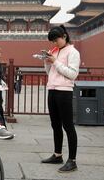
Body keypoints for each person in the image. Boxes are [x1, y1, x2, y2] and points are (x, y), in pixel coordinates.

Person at [41, 25, 80, 173]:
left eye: (56, 40)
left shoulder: (73, 52)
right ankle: (57, 155)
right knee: (55, 124)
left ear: (64, 37)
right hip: (52, 89)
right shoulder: (55, 51)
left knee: (68, 126)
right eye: (52, 41)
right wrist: (47, 61)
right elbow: (49, 72)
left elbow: (72, 74)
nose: (54, 44)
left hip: (64, 91)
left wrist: (55, 62)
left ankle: (72, 160)